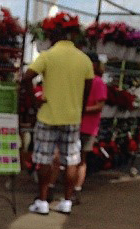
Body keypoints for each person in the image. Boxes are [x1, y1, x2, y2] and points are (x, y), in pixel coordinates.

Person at [21, 18, 94, 215]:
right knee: (71, 159)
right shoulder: (84, 59)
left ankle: (42, 201)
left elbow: (26, 78)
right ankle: (67, 201)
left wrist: (34, 102)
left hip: (48, 115)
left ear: (52, 38)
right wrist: (80, 108)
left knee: (44, 159)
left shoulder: (48, 56)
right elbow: (88, 88)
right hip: (72, 117)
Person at [75, 53, 107, 198]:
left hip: (86, 125)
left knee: (80, 159)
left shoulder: (97, 82)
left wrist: (81, 110)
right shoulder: (84, 80)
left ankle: (76, 188)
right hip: (77, 123)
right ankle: (74, 188)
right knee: (78, 159)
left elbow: (99, 106)